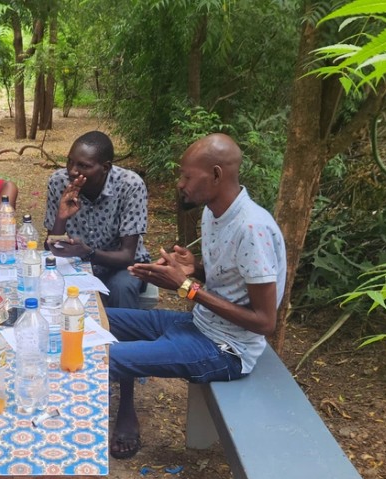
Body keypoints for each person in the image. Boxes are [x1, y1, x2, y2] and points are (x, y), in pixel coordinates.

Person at [106, 133, 286, 460]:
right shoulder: (213, 213)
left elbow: (264, 322)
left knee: (103, 359)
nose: (180, 183)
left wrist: (186, 286)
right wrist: (195, 269)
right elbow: (231, 278)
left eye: (188, 176)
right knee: (98, 316)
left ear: (217, 175)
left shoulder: (251, 228)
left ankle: (73, 461)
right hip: (198, 325)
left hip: (225, 349)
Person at [45, 131, 150, 309]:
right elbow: (51, 248)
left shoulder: (130, 185)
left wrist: (88, 253)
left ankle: (124, 336)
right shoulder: (58, 182)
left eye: (83, 166)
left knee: (121, 287)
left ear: (105, 167)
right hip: (79, 262)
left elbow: (127, 256)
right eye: (69, 161)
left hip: (122, 266)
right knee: (51, 284)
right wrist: (61, 217)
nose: (72, 171)